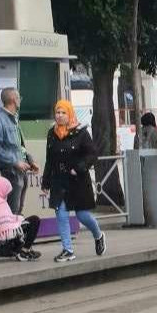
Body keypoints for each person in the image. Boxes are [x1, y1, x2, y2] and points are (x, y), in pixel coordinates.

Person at [41, 99, 106, 263]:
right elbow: (50, 159)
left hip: (77, 181)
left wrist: (79, 167)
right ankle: (68, 250)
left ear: (69, 113)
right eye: (57, 112)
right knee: (61, 214)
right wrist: (46, 182)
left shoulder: (81, 132)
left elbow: (92, 154)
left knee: (82, 215)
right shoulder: (52, 134)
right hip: (58, 181)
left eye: (63, 112)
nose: (60, 116)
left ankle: (98, 235)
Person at [0, 87, 38, 215]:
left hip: (21, 171)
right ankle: (11, 234)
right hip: (11, 171)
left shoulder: (13, 119)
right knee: (13, 209)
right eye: (19, 98)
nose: (20, 101)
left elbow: (19, 146)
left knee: (19, 208)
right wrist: (15, 162)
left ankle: (17, 232)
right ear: (13, 99)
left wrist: (29, 160)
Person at [0, 176, 41, 261]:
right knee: (35, 220)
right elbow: (7, 222)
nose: (6, 194)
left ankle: (9, 250)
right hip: (4, 232)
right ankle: (25, 251)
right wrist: (18, 219)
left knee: (20, 219)